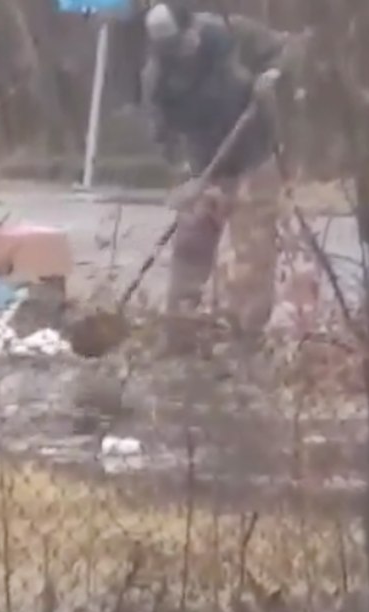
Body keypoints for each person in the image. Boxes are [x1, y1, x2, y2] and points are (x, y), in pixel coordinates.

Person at [139, 2, 306, 354]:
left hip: (253, 158)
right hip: (204, 168)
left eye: (182, 44)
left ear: (193, 29)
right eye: (170, 51)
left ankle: (244, 339)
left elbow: (291, 47)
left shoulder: (235, 35)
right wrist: (184, 176)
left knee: (252, 252)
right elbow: (161, 134)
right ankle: (180, 335)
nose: (180, 54)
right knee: (190, 246)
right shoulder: (159, 75)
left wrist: (272, 74)